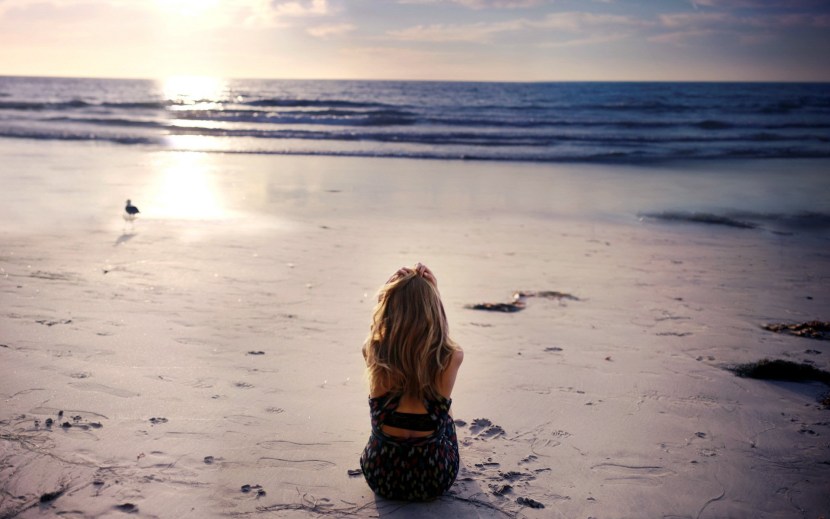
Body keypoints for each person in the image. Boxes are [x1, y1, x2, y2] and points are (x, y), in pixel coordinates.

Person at [360, 263, 464, 501]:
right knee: (444, 414)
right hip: (434, 478)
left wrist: (386, 294)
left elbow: (375, 333)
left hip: (381, 475)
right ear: (434, 310)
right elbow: (442, 339)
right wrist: (433, 293)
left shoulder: (373, 351)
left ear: (388, 310)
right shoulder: (452, 358)